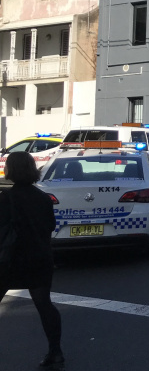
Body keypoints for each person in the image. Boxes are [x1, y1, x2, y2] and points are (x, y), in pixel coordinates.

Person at [0, 152, 64, 369]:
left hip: (10, 259)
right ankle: (55, 351)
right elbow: (50, 226)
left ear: (11, 170)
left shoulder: (5, 198)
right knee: (44, 305)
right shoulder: (43, 198)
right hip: (39, 257)